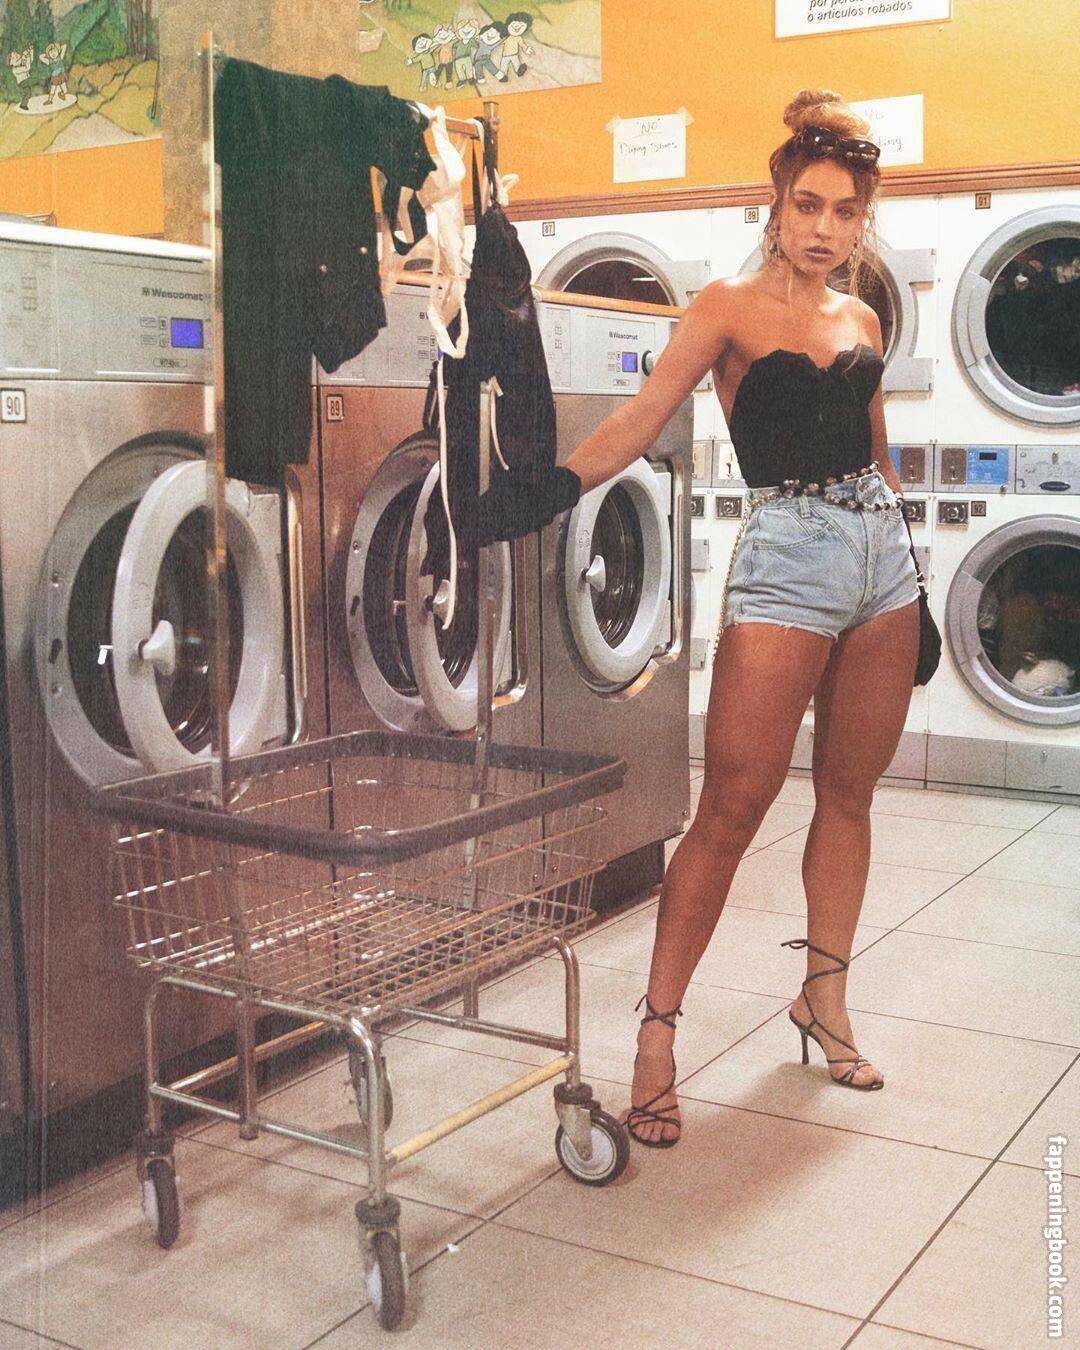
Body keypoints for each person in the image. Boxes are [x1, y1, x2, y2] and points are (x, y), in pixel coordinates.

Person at [477, 88, 920, 1145]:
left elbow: (877, 452)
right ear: (777, 204)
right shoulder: (725, 307)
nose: (824, 228)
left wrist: (911, 564)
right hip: (788, 560)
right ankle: (657, 1035)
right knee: (731, 807)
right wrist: (553, 486)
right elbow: (643, 416)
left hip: (881, 564)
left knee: (849, 796)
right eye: (808, 205)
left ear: (862, 223)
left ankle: (824, 1002)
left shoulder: (861, 318)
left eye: (845, 212)